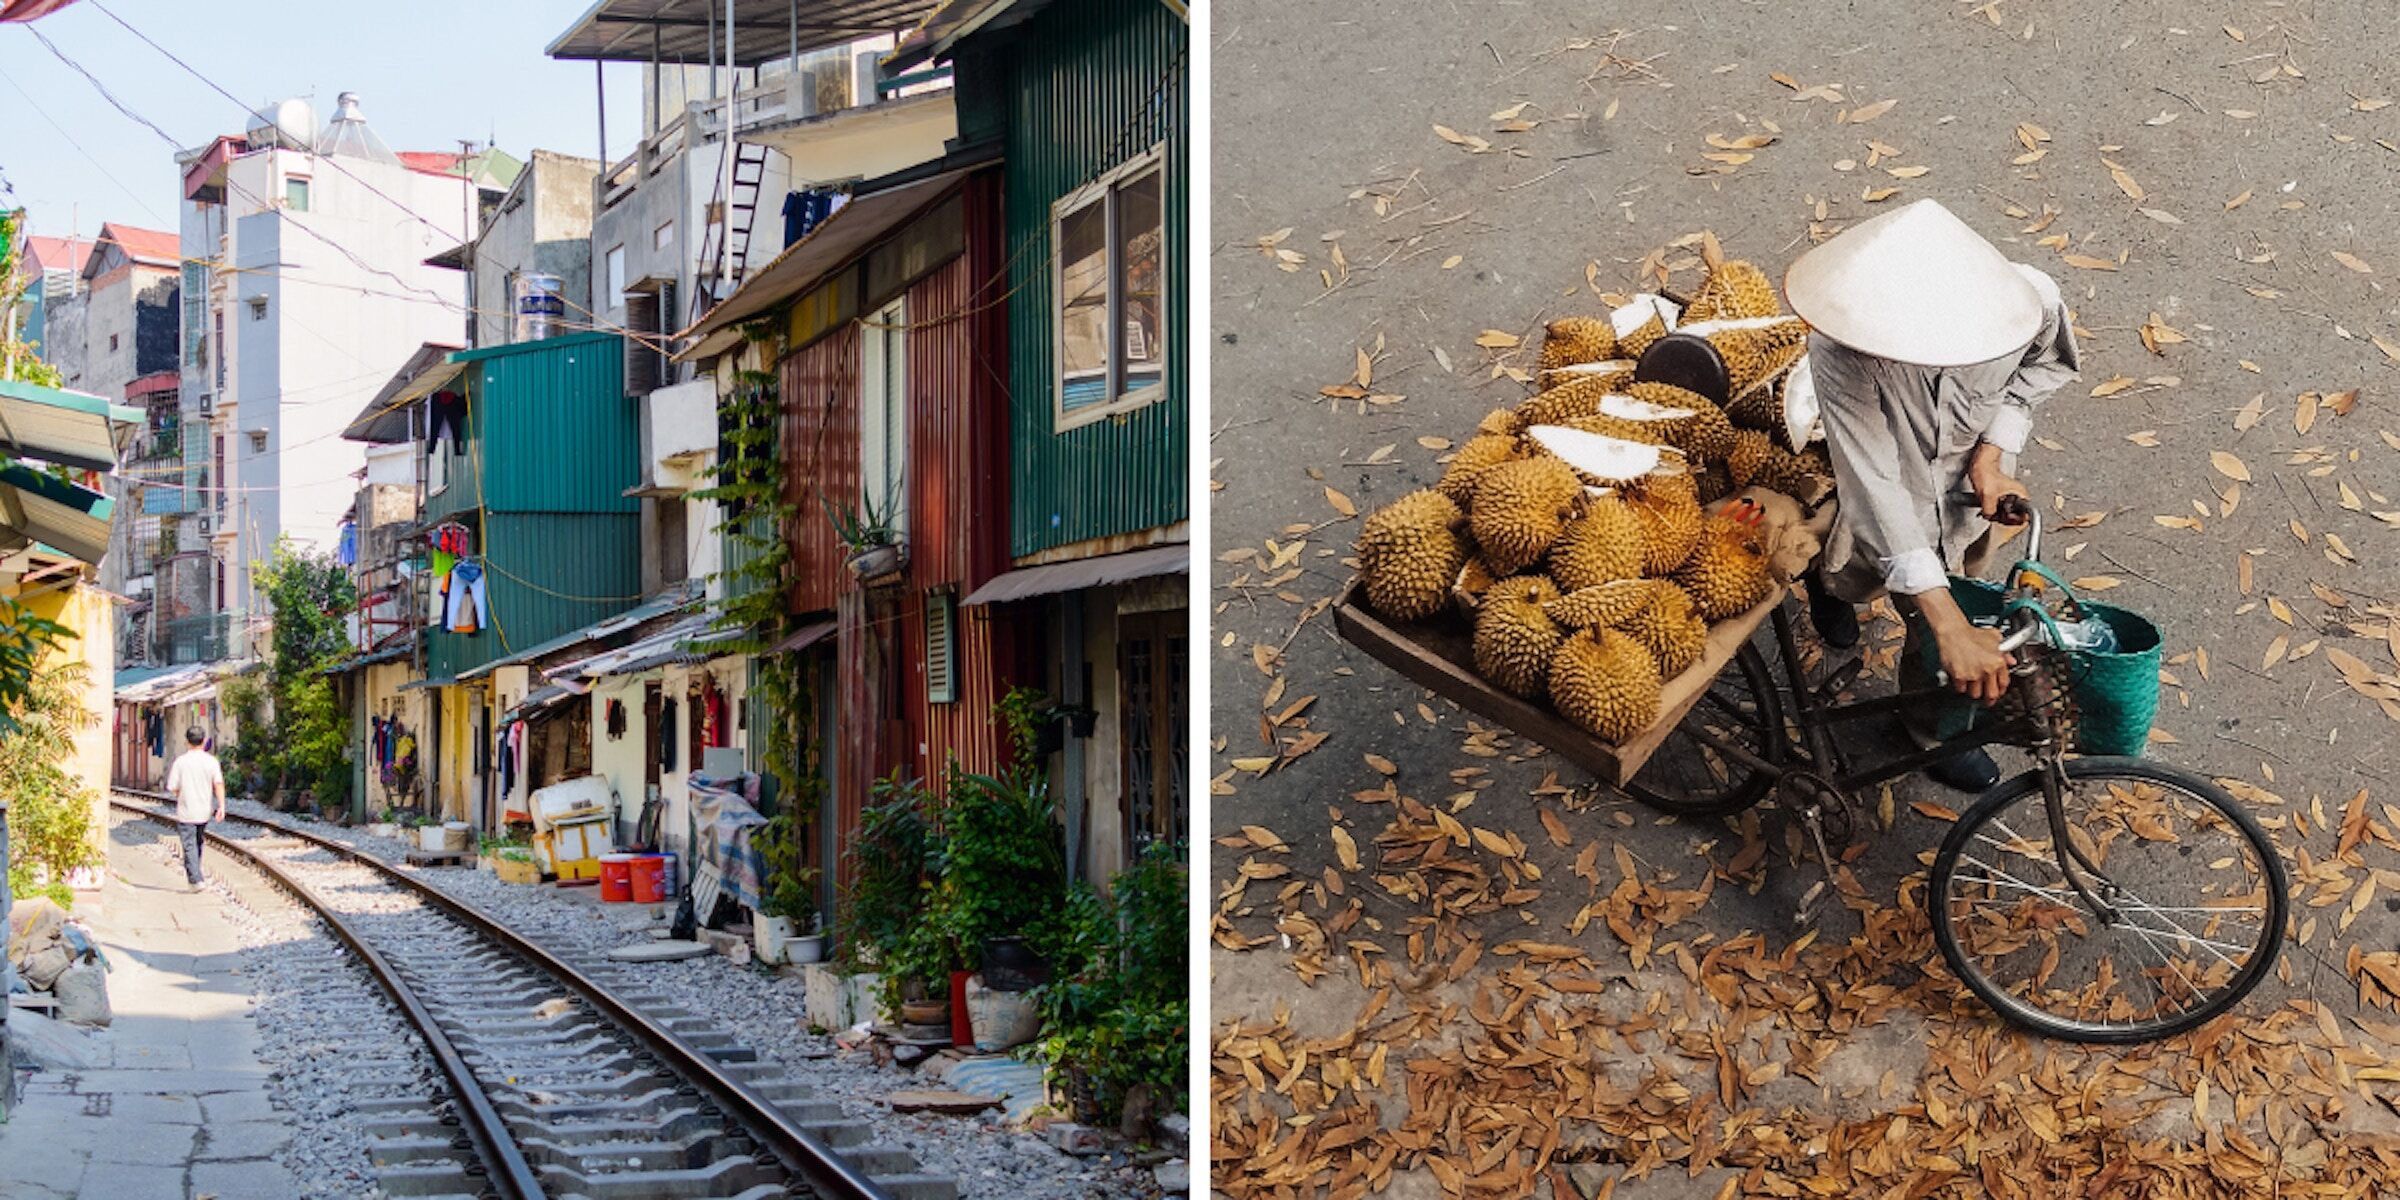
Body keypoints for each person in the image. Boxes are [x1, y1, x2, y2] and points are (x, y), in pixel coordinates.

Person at [1781, 198, 2080, 793]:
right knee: (1905, 596)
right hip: (1893, 490)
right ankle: (1825, 582)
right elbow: (1874, 482)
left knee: (1949, 619)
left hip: (1966, 499)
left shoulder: (2030, 302)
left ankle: (1926, 733)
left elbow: (2040, 369)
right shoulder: (1840, 350)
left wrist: (1991, 455)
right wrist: (1947, 623)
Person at [164, 725, 226, 888]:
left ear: (187, 742)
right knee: (197, 842)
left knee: (189, 845)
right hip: (204, 810)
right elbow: (218, 784)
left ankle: (196, 879)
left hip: (186, 810)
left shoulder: (181, 762)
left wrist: (181, 795)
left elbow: (172, 787)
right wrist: (221, 806)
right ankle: (196, 874)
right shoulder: (211, 761)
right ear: (204, 741)